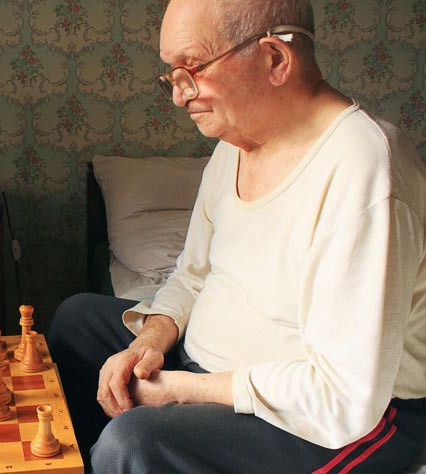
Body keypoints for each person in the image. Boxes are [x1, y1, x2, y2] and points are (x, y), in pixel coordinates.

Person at [47, 0, 426, 472]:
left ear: (274, 59)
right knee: (74, 320)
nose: (178, 96)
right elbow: (191, 275)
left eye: (193, 69)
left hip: (340, 415)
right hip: (215, 365)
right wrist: (151, 339)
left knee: (132, 444)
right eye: (172, 74)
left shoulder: (365, 170)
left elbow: (343, 395)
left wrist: (183, 391)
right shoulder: (236, 142)